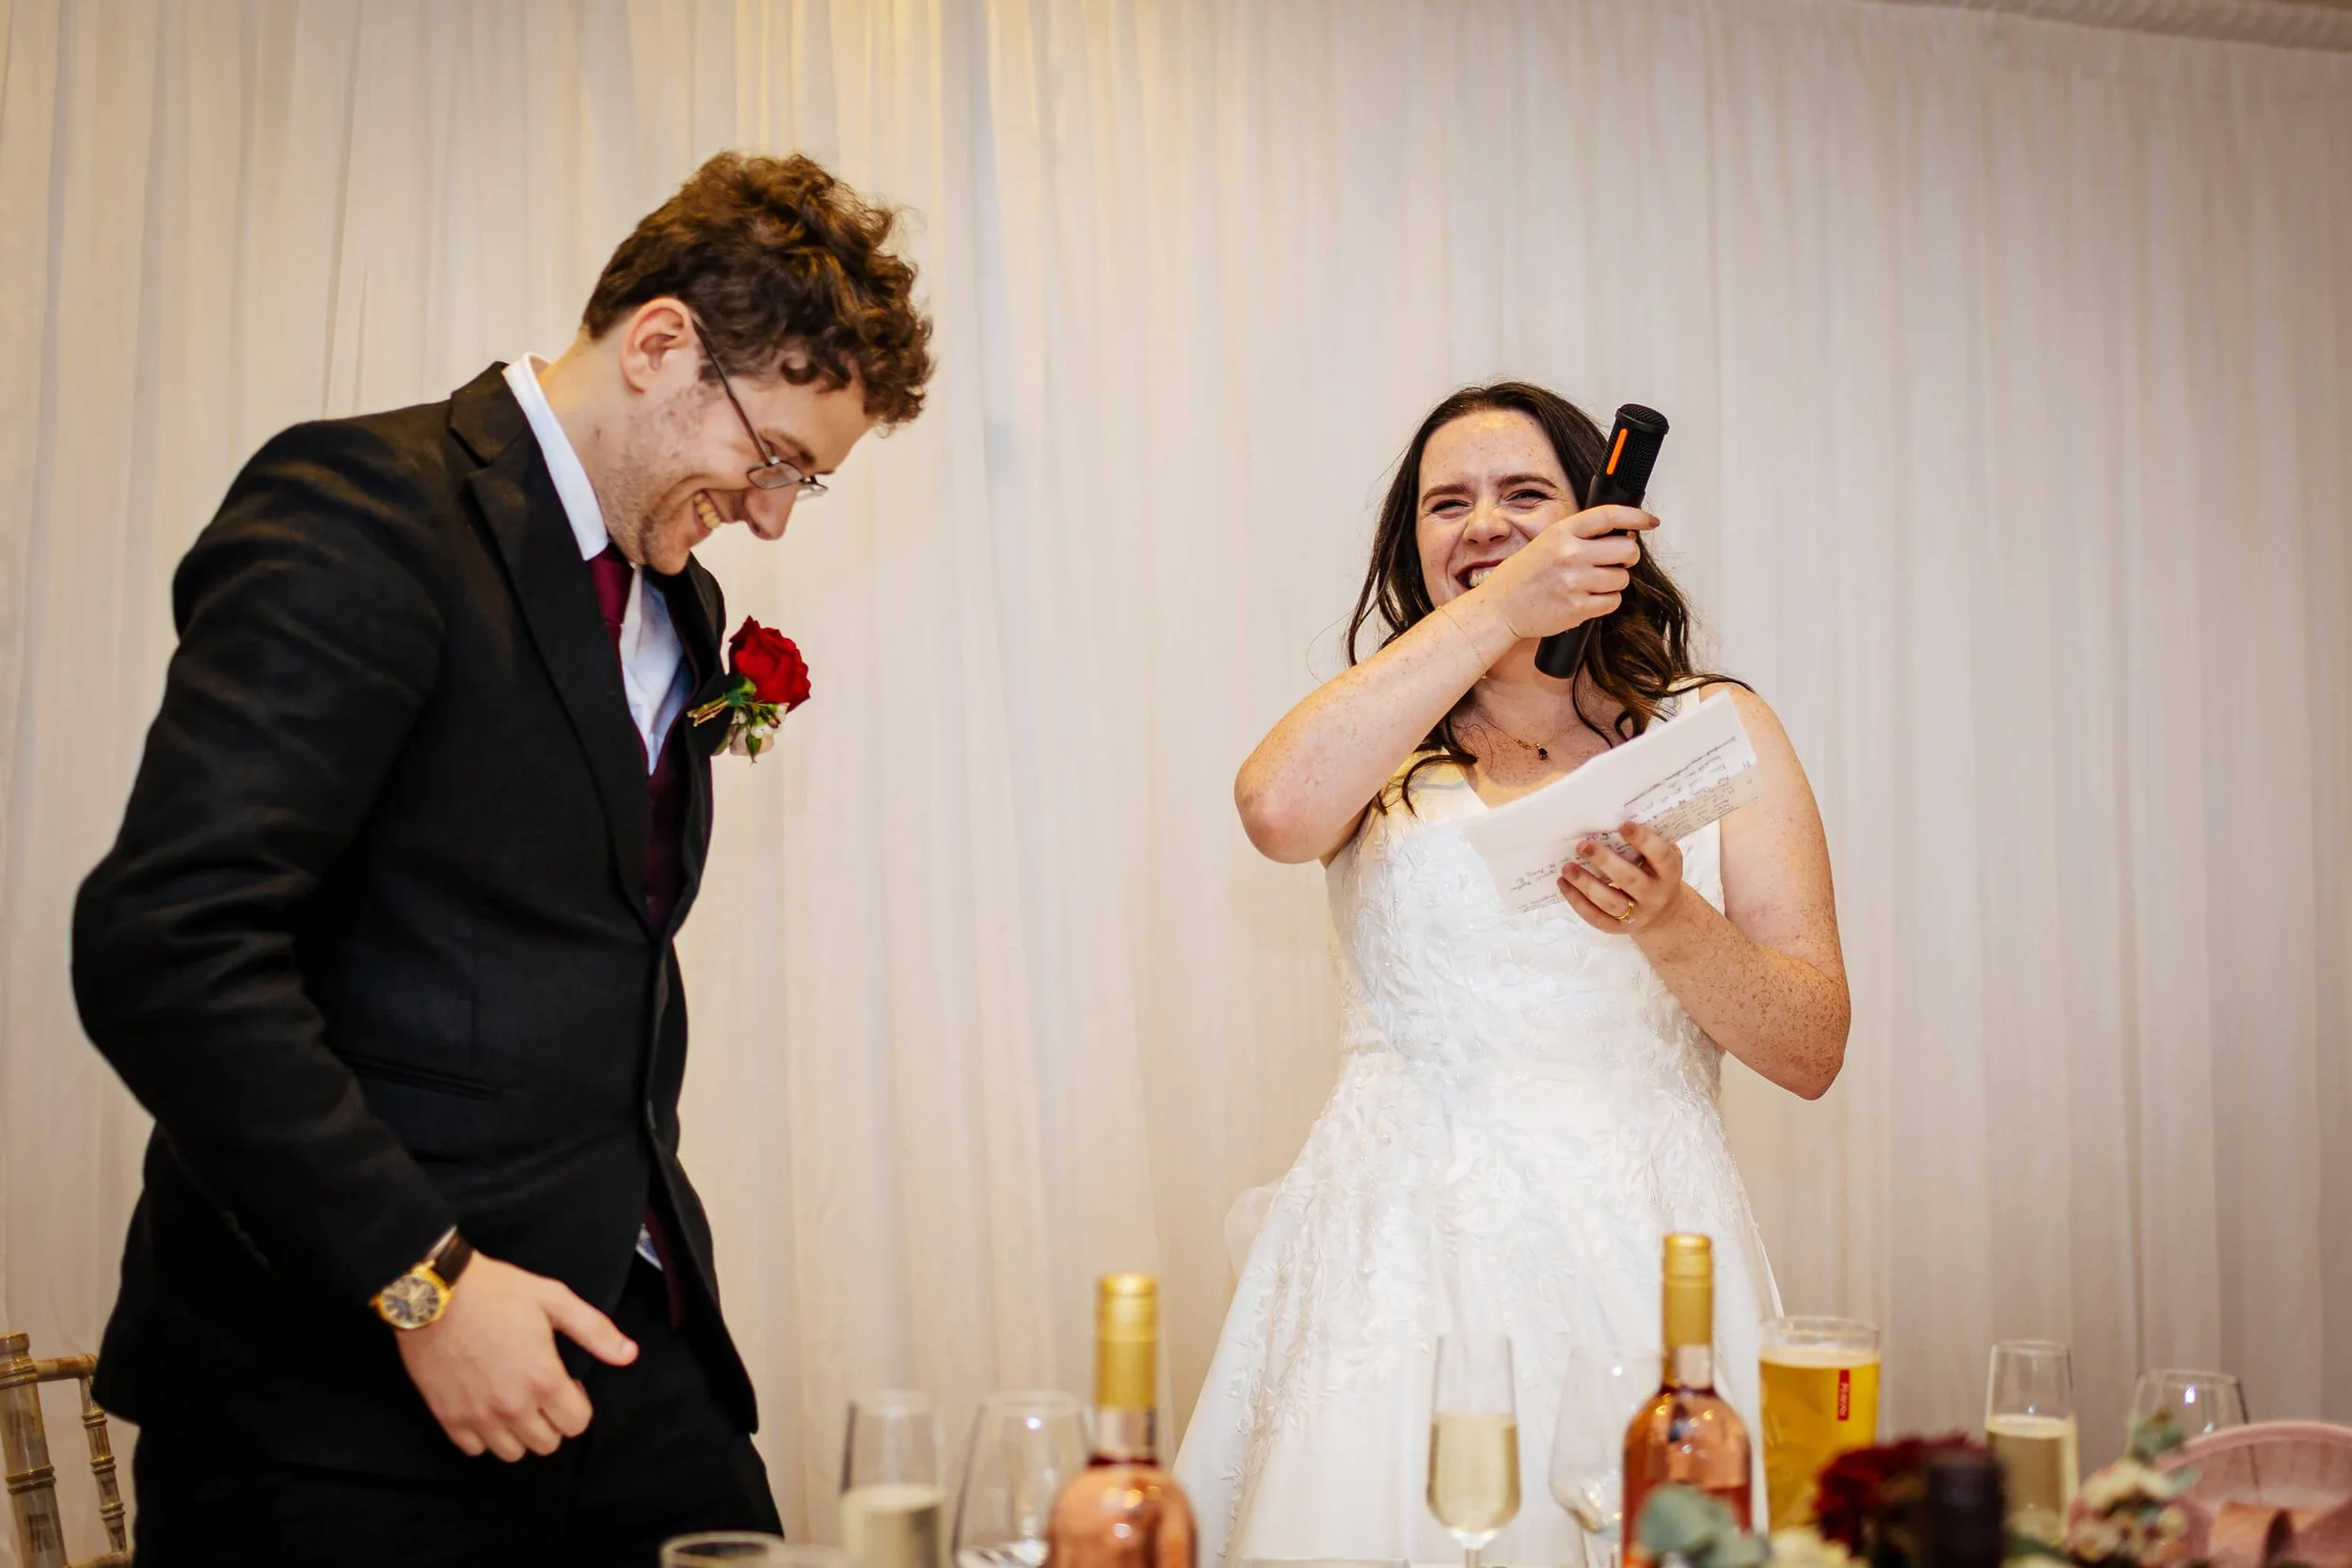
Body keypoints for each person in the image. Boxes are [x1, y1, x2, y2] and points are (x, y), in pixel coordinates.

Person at [71, 150, 933, 1564]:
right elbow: (168, 944)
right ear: (661, 346)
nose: (774, 515)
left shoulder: (681, 602)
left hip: (626, 1360)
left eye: (806, 486)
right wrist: (423, 1282)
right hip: (343, 1396)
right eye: (775, 459)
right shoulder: (369, 508)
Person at [1173, 383, 1851, 1565]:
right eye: (1448, 503)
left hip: (1644, 1246)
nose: (1482, 521)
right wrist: (1497, 617)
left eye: (1524, 496)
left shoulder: (1714, 725)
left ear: (1602, 520)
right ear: (1412, 546)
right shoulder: (1383, 749)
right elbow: (1275, 811)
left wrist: (1673, 920)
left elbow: (1810, 1047)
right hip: (1389, 1258)